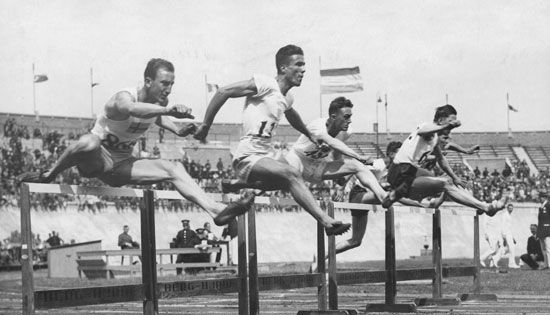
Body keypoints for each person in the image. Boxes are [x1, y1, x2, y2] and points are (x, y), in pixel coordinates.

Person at [19, 58, 252, 227]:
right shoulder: (123, 98)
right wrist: (168, 108)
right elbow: (133, 110)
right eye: (163, 83)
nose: (168, 89)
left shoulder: (157, 105)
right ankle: (50, 173)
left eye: (172, 84)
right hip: (97, 160)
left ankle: (216, 211)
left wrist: (181, 129)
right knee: (89, 141)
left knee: (174, 168)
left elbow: (158, 117)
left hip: (123, 165)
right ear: (148, 81)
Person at [193, 44, 350, 236]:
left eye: (304, 65)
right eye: (298, 65)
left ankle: (230, 204)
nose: (303, 69)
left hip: (264, 155)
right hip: (248, 155)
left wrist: (311, 136)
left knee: (287, 182)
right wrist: (205, 126)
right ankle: (326, 222)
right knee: (292, 174)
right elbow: (223, 92)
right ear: (283, 68)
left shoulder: (286, 97)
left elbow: (292, 116)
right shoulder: (265, 84)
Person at [386, 104, 507, 216]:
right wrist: (447, 126)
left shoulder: (434, 139)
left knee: (448, 181)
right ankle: (485, 207)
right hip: (399, 172)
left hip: (408, 175)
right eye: (450, 123)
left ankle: (479, 206)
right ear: (440, 120)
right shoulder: (428, 128)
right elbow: (423, 131)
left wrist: (455, 177)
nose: (450, 129)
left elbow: (441, 159)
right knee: (444, 183)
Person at [282, 96, 394, 206]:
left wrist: (340, 178)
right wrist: (358, 156)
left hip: (317, 166)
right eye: (346, 117)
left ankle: (383, 195)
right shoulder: (318, 126)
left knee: (357, 166)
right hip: (298, 160)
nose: (349, 121)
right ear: (333, 116)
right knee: (289, 174)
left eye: (350, 117)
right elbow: (332, 142)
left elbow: (337, 152)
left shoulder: (347, 132)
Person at [501, 203, 519, 268]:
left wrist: (513, 237)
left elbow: (510, 227)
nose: (511, 209)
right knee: (511, 248)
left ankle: (495, 257)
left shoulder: (510, 215)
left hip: (510, 233)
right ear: (507, 208)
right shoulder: (504, 215)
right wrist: (504, 235)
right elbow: (503, 225)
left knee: (509, 248)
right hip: (506, 233)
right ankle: (512, 264)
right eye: (510, 208)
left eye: (512, 208)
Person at [538, 193, 550, 269]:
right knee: (543, 249)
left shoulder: (548, 205)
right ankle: (546, 264)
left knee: (548, 248)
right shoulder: (541, 207)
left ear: (545, 198)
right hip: (542, 229)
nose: (540, 199)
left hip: (547, 229)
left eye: (541, 197)